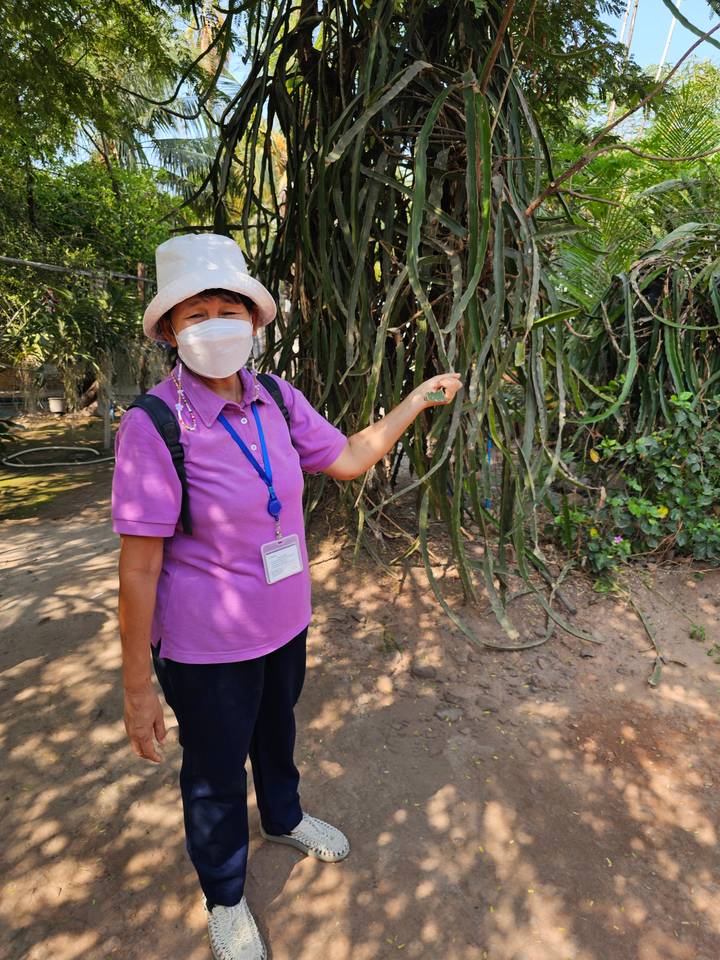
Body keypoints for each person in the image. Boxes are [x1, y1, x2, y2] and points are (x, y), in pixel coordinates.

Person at [111, 232, 462, 960]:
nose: (214, 323)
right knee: (212, 773)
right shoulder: (154, 425)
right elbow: (138, 570)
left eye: (227, 307)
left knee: (278, 735)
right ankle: (226, 895)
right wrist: (137, 686)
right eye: (194, 312)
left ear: (253, 318)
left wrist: (416, 402)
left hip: (283, 623)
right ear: (171, 331)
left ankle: (284, 816)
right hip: (204, 647)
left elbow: (349, 458)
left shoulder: (275, 395)